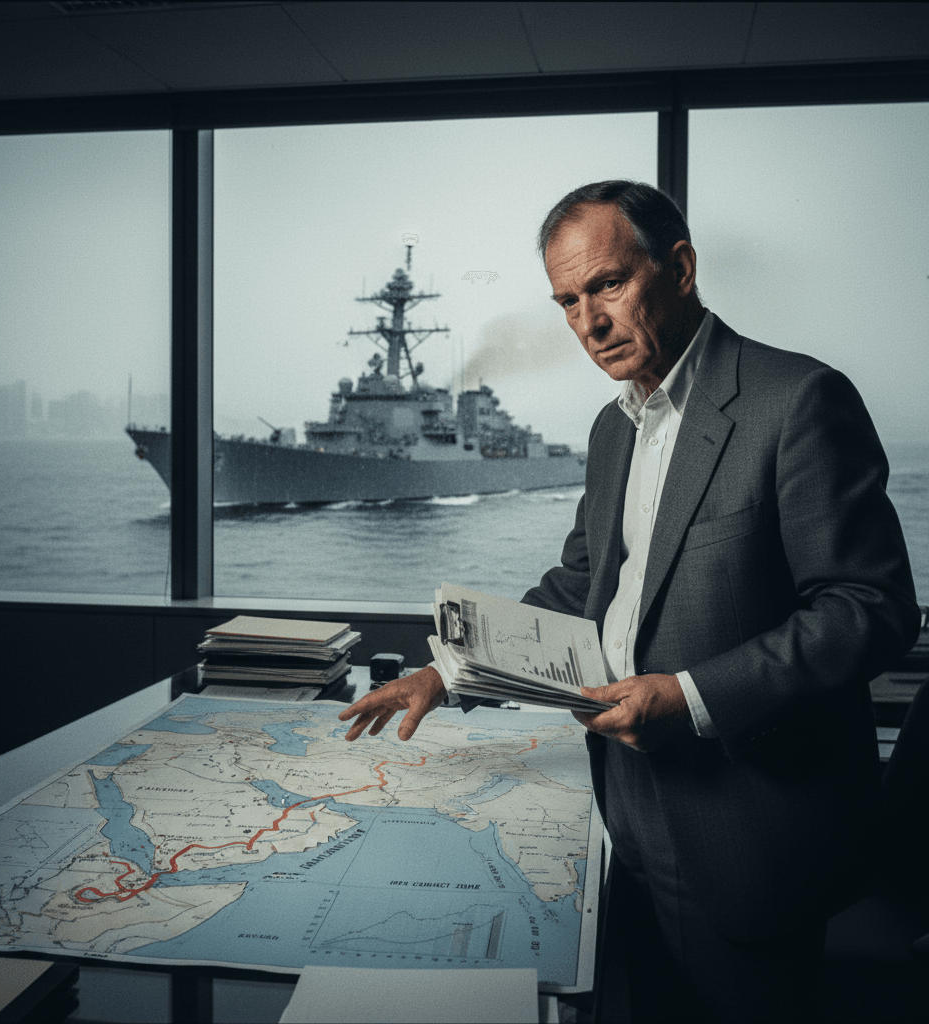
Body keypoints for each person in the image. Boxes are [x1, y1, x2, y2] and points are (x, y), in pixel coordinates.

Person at [338, 180, 920, 1021]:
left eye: (607, 285)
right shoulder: (615, 429)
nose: (588, 323)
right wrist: (447, 674)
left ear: (680, 268)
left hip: (747, 830)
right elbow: (584, 585)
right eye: (568, 301)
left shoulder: (797, 400)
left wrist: (690, 696)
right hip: (622, 810)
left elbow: (869, 607)